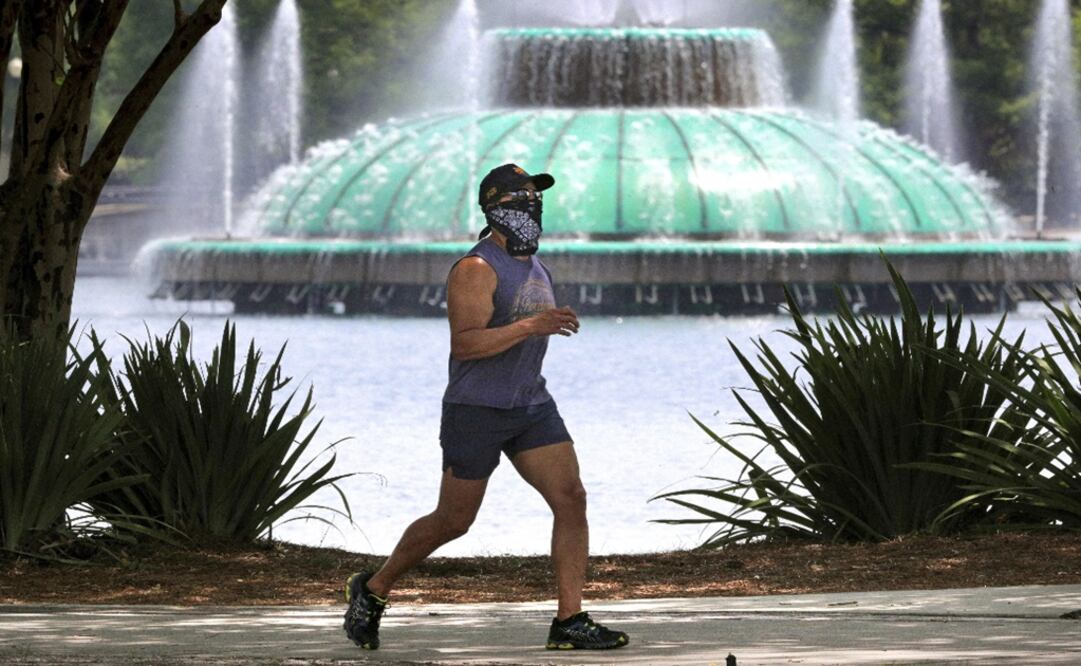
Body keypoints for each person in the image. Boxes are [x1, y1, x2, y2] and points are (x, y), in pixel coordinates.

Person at [342, 163, 630, 651]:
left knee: (571, 498)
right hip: (476, 409)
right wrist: (531, 326)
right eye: (522, 198)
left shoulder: (536, 265)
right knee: (454, 521)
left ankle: (569, 620)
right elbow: (466, 345)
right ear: (496, 208)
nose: (533, 206)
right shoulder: (475, 269)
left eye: (537, 198)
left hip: (531, 405)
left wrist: (542, 324)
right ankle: (372, 588)